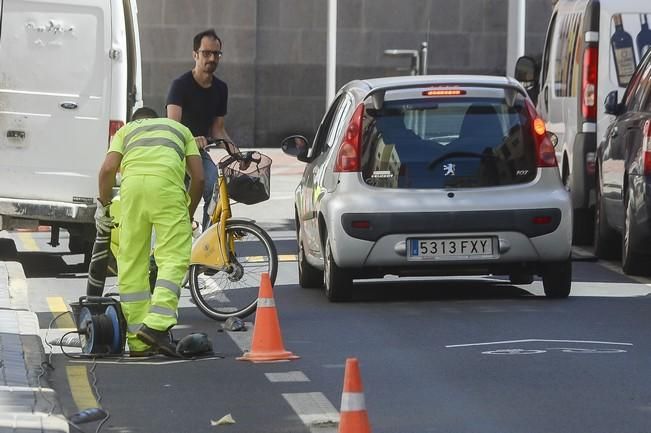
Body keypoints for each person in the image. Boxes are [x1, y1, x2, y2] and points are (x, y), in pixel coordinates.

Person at [96, 106, 204, 357]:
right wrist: (188, 214)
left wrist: (103, 206)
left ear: (138, 122)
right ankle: (156, 325)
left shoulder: (125, 131)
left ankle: (138, 342)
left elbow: (108, 170)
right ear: (157, 120)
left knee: (131, 260)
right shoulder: (180, 129)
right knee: (173, 256)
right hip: (167, 189)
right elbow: (198, 179)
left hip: (132, 191)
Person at [166, 29, 241, 230]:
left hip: (198, 152)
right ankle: (177, 232)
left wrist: (238, 154)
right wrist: (191, 139)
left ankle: (208, 243)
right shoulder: (180, 85)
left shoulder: (220, 88)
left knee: (215, 188)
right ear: (195, 55)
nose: (212, 58)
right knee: (172, 200)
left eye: (216, 54)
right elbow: (172, 127)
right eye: (206, 53)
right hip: (176, 151)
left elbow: (218, 129)